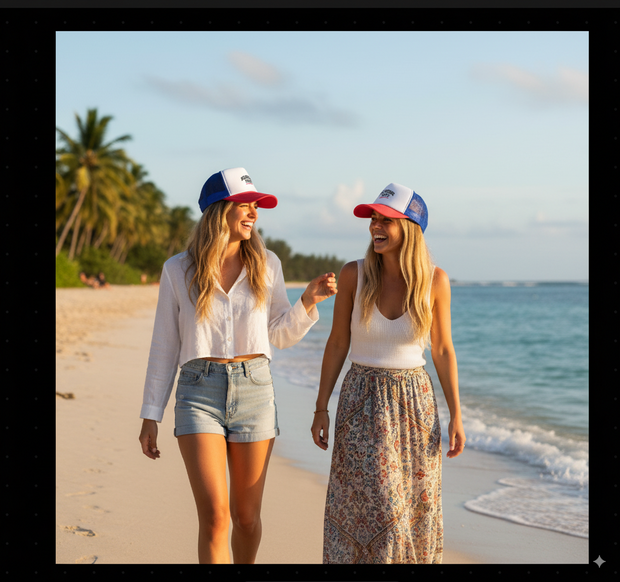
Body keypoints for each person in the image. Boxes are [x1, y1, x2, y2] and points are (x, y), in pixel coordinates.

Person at [138, 167, 337, 564]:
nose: (254, 213)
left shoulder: (268, 264)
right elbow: (164, 344)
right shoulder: (178, 270)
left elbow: (279, 335)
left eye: (256, 206)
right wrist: (150, 414)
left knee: (246, 519)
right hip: (197, 392)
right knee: (215, 517)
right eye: (245, 204)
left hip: (254, 390)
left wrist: (308, 301)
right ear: (218, 209)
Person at [311, 182, 465, 564]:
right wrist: (320, 407)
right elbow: (336, 344)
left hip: (415, 406)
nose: (375, 226)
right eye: (373, 218)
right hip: (362, 401)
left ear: (409, 227)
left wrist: (457, 415)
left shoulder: (435, 281)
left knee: (413, 514)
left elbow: (443, 350)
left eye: (386, 219)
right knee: (381, 513)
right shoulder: (354, 274)